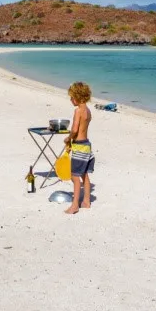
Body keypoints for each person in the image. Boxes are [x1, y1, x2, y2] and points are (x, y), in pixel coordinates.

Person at [63, 82, 94, 214]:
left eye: (72, 97)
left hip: (79, 146)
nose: (70, 100)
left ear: (78, 96)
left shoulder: (78, 111)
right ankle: (86, 201)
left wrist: (68, 138)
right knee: (84, 175)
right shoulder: (88, 111)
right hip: (87, 145)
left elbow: (75, 130)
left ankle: (75, 205)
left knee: (74, 176)